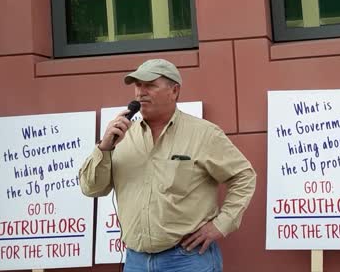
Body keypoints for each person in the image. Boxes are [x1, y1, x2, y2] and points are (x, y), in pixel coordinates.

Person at [79, 59, 256, 272]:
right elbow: (91, 188)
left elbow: (243, 176)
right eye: (137, 86)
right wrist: (104, 147)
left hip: (188, 259)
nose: (140, 93)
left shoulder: (203, 134)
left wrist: (221, 224)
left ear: (174, 91)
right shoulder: (121, 137)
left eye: (150, 85)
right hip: (136, 261)